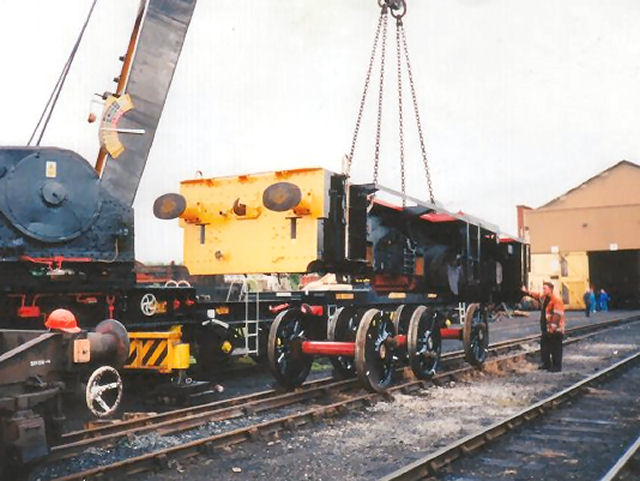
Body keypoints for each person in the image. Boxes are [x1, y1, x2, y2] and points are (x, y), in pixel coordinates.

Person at [522, 282, 565, 372]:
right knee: (545, 347)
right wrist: (527, 292)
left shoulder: (556, 300)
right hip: (546, 327)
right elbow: (537, 295)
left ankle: (557, 366)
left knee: (556, 348)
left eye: (545, 288)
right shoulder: (544, 297)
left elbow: (557, 314)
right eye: (543, 288)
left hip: (556, 329)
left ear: (550, 289)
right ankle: (546, 364)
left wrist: (553, 327)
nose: (543, 290)